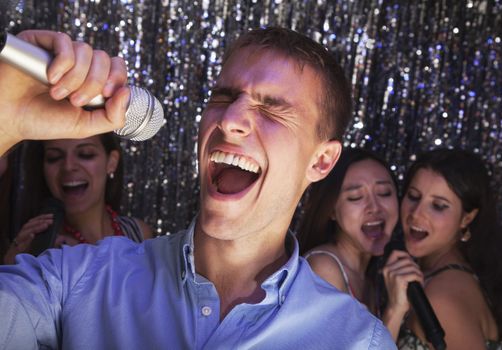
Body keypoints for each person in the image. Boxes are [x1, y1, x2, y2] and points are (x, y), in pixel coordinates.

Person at [0, 28, 396, 348]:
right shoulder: (78, 280)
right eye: (223, 97)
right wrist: (4, 120)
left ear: (321, 161)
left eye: (272, 107)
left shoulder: (359, 341)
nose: (230, 119)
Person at [382, 148, 502, 349]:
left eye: (438, 206)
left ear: (467, 218)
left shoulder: (441, 298)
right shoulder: (453, 273)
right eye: (413, 196)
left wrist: (392, 313)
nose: (416, 213)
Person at [298, 147, 418, 338]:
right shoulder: (323, 267)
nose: (374, 207)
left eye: (385, 193)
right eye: (355, 197)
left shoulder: (370, 278)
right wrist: (394, 310)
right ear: (332, 210)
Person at [2, 133, 153, 265]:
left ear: (111, 162)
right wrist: (10, 269)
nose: (68, 166)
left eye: (85, 154)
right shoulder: (42, 247)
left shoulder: (138, 233)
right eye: (54, 157)